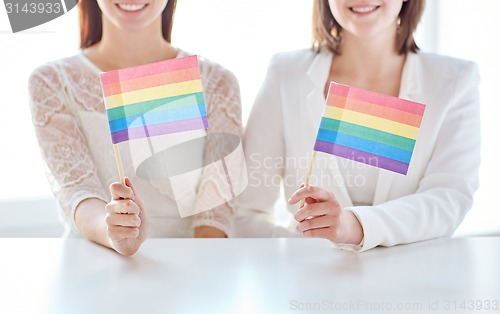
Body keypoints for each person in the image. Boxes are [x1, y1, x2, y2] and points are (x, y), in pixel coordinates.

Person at [234, 0, 480, 252]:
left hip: (410, 279)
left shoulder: (454, 80)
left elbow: (447, 199)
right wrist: (297, 253)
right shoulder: (285, 74)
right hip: (307, 281)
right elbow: (246, 212)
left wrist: (354, 226)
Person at [28, 0, 242, 255]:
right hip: (93, 268)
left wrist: (197, 278)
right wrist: (114, 232)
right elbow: (78, 193)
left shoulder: (216, 82)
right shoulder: (52, 82)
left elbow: (215, 216)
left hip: (189, 271)